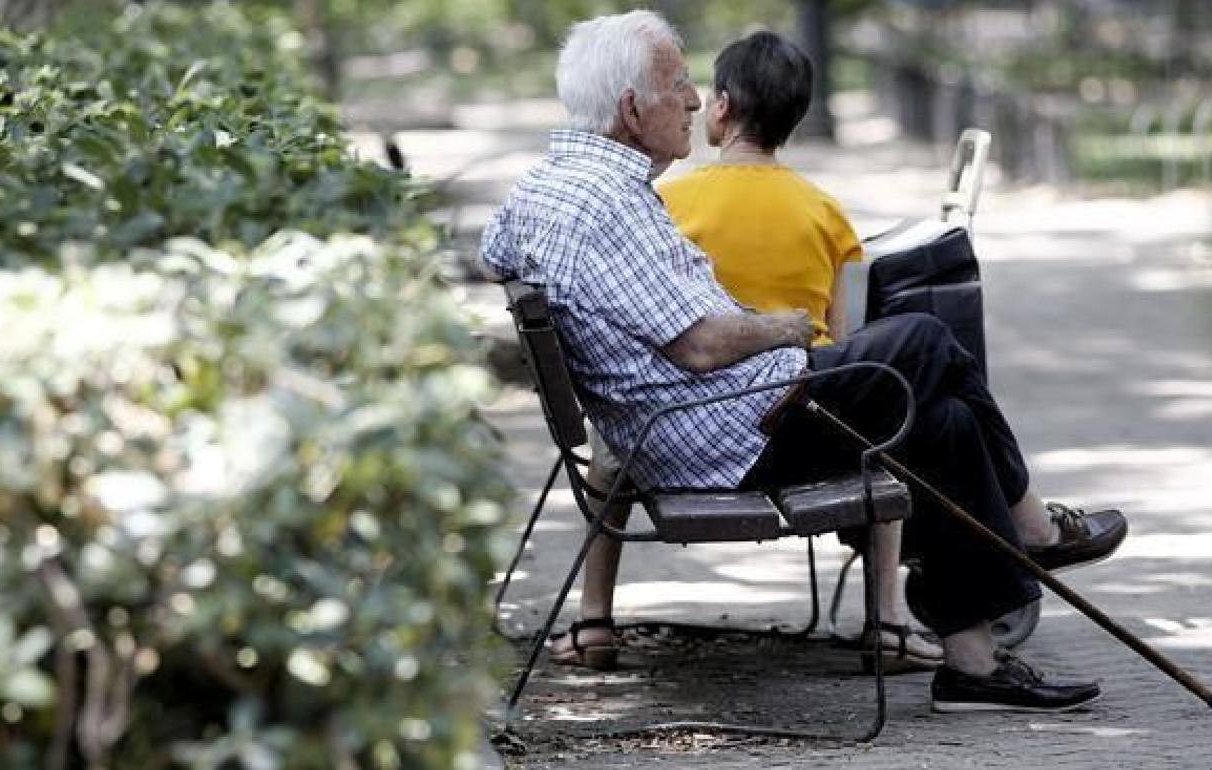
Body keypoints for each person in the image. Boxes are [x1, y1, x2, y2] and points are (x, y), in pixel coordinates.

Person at [482, 10, 1127, 712]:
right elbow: (697, 346)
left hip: (706, 421)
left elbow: (495, 252)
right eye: (679, 85)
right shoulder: (608, 204)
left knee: (940, 419)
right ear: (633, 108)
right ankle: (1033, 528)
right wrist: (783, 327)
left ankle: (971, 664)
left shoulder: (547, 188)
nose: (696, 101)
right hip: (727, 435)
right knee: (926, 338)